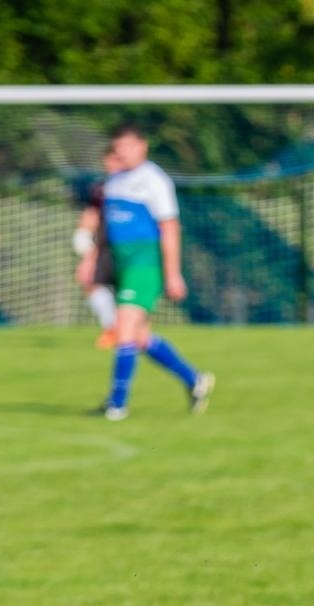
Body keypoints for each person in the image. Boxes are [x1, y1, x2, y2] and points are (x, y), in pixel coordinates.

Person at [77, 124, 214, 421]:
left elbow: (169, 227)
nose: (121, 152)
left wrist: (173, 273)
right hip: (120, 264)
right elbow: (106, 228)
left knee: (123, 325)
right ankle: (194, 380)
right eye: (117, 147)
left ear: (143, 146)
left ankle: (117, 404)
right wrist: (91, 258)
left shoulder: (154, 180)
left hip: (145, 265)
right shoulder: (113, 181)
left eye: (127, 145)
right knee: (139, 337)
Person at [74, 148, 124, 349]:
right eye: (109, 160)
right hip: (105, 247)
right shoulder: (101, 188)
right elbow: (92, 213)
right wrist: (83, 234)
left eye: (116, 160)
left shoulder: (136, 187)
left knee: (125, 291)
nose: (111, 164)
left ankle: (126, 328)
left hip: (126, 247)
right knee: (90, 282)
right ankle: (112, 328)